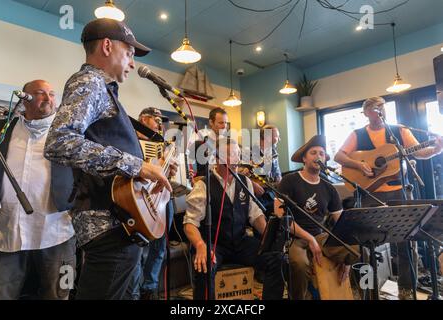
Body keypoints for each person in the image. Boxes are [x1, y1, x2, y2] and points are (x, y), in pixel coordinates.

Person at [44, 18, 174, 300]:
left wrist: (150, 170)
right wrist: (137, 164)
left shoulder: (104, 91)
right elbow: (59, 142)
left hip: (122, 224)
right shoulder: (89, 82)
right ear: (106, 46)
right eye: (128, 53)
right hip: (108, 227)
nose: (131, 62)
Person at [334, 96, 443, 299]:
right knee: (366, 244)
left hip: (397, 191)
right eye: (374, 109)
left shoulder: (399, 131)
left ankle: (406, 290)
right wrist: (359, 165)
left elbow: (419, 152)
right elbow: (339, 156)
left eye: (381, 108)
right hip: (369, 193)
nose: (378, 112)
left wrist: (437, 148)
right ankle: (367, 290)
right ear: (366, 113)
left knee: (406, 241)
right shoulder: (357, 134)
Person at [0, 80, 76, 300]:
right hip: (7, 229)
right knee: (0, 293)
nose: (48, 99)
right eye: (40, 93)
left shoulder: (67, 132)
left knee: (60, 293)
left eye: (51, 93)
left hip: (57, 230)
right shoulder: (4, 128)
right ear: (24, 98)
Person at [184, 137, 285, 300]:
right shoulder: (203, 185)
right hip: (214, 245)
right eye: (231, 154)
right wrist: (200, 244)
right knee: (205, 265)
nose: (237, 159)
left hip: (240, 242)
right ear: (217, 158)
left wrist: (269, 238)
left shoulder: (245, 182)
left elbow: (255, 215)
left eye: (238, 154)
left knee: (276, 258)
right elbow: (190, 223)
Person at [275, 135, 359, 300]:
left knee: (356, 248)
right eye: (313, 152)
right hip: (294, 237)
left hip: (320, 237)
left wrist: (348, 259)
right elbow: (280, 215)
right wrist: (309, 239)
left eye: (321, 153)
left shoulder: (328, 187)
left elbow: (341, 222)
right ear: (304, 159)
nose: (318, 156)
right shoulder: (289, 180)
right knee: (299, 263)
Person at [132, 107, 176, 299]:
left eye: (161, 120)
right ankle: (134, 288)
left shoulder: (163, 145)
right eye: (155, 119)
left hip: (162, 198)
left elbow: (163, 176)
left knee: (159, 246)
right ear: (143, 119)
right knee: (140, 247)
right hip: (139, 197)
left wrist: (172, 172)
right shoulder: (131, 139)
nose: (160, 123)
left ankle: (149, 288)